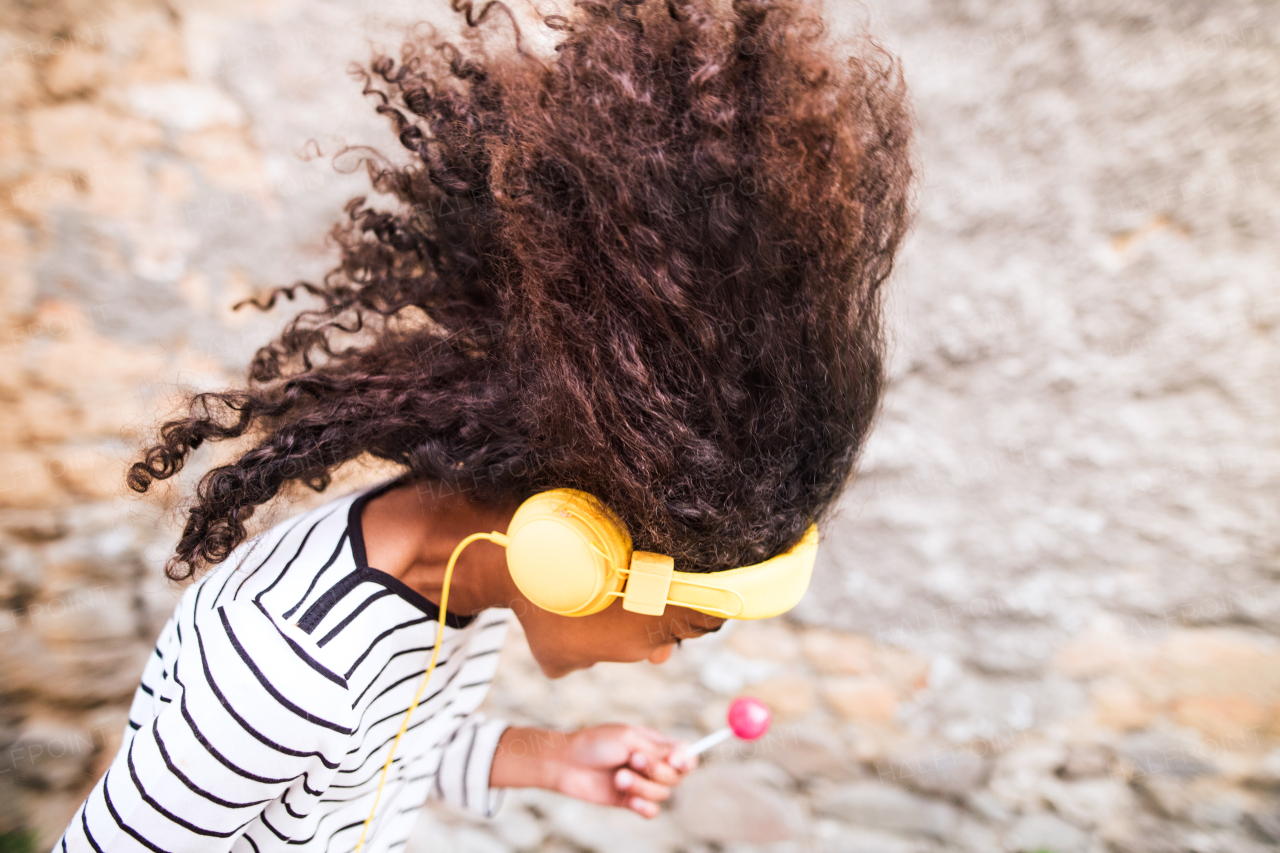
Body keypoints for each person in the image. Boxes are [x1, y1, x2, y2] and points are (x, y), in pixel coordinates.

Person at [54, 0, 914, 849]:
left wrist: (552, 758)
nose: (657, 660)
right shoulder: (281, 669)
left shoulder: (457, 576)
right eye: (677, 631)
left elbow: (367, 751)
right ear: (583, 553)